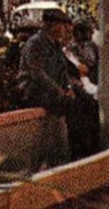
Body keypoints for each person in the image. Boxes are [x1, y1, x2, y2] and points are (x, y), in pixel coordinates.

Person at [18, 9, 99, 159]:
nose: (66, 29)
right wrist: (60, 91)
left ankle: (93, 148)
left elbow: (63, 71)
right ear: (53, 25)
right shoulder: (36, 43)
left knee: (89, 101)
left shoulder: (55, 45)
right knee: (73, 105)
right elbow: (38, 74)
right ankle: (77, 151)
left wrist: (68, 88)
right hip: (34, 90)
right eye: (63, 25)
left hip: (54, 89)